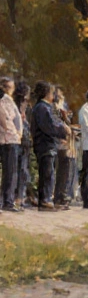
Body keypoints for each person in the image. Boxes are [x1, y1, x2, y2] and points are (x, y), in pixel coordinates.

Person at [31, 81, 67, 211]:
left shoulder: (45, 107)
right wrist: (63, 129)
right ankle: (45, 200)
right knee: (47, 173)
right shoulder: (42, 108)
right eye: (52, 92)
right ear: (46, 93)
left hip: (48, 144)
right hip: (44, 145)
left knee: (48, 172)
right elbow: (49, 126)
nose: (54, 95)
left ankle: (45, 199)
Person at [53, 88, 77, 207]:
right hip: (60, 142)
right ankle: (60, 196)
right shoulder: (54, 108)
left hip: (67, 141)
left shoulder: (63, 107)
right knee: (62, 169)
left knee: (67, 169)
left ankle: (64, 195)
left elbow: (67, 121)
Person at [0, 78, 20, 212]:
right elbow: (5, 121)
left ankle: (8, 200)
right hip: (8, 139)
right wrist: (15, 132)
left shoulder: (10, 101)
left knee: (11, 171)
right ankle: (7, 201)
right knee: (9, 171)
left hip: (12, 138)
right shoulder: (4, 101)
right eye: (11, 87)